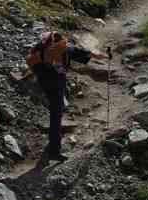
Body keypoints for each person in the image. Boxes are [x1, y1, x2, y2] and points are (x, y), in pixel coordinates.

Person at [29, 31, 106, 163]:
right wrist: (97, 56)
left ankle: (53, 141)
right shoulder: (64, 47)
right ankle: (54, 150)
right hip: (55, 82)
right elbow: (80, 53)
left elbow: (33, 64)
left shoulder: (41, 49)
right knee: (56, 114)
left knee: (56, 111)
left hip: (44, 82)